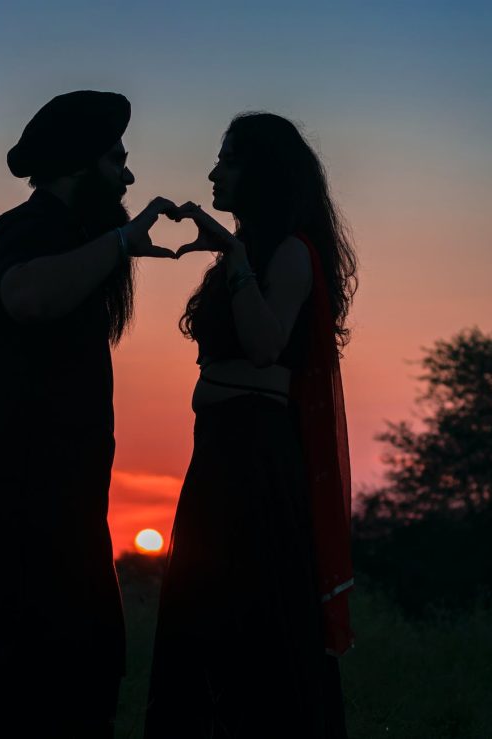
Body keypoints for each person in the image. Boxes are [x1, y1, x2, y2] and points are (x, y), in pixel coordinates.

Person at [0, 90, 177, 738]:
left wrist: (116, 247)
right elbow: (27, 296)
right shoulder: (28, 230)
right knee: (34, 699)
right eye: (116, 158)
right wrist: (121, 242)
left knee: (79, 690)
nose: (129, 174)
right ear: (81, 163)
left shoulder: (68, 238)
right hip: (23, 510)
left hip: (62, 511)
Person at [145, 112, 358, 738]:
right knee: (204, 609)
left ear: (262, 173)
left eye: (229, 160)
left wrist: (233, 253)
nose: (214, 172)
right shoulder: (248, 256)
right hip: (217, 456)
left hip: (256, 465)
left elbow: (265, 345)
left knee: (251, 616)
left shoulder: (291, 253)